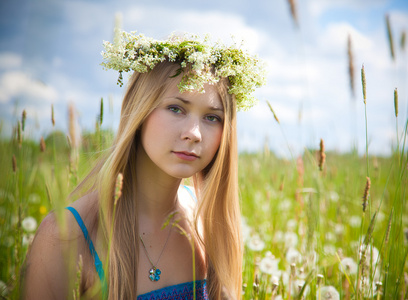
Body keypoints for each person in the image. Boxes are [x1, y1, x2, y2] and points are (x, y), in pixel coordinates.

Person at [22, 30, 265, 299]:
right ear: (141, 111)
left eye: (211, 117)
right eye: (176, 108)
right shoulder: (66, 237)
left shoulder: (205, 222)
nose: (194, 133)